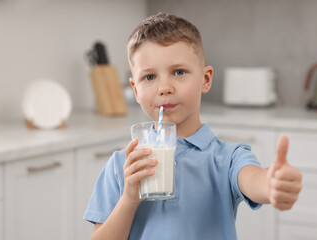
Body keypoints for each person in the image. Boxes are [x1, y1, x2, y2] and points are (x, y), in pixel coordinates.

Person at [84, 12, 302, 240]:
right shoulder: (123, 165)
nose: (164, 87)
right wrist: (129, 199)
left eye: (179, 72)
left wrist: (273, 183)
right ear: (135, 89)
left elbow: (254, 180)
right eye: (149, 77)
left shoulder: (227, 158)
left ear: (205, 79)